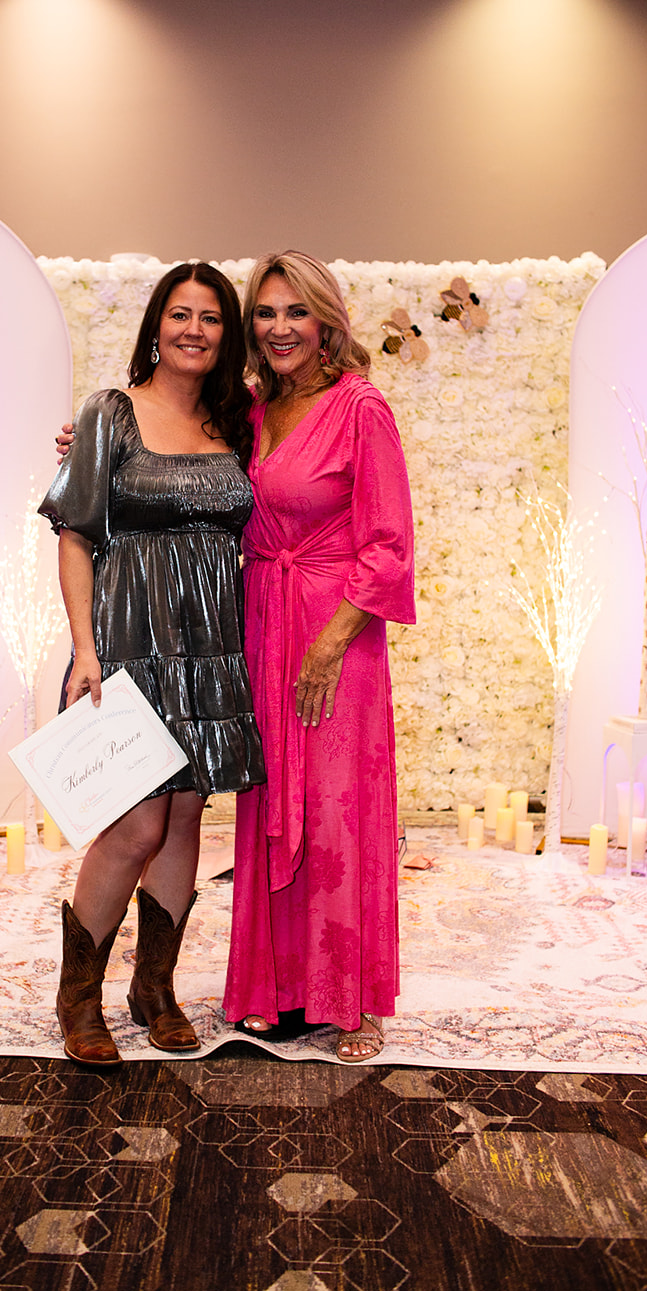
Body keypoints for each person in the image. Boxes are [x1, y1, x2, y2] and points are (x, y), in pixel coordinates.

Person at [39, 262, 265, 1066]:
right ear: (156, 326)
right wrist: (85, 650)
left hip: (210, 643)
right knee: (135, 823)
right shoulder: (109, 413)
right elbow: (74, 534)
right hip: (129, 637)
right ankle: (78, 998)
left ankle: (154, 989)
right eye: (180, 314)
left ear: (227, 335)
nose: (194, 330)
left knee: (186, 815)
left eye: (211, 317)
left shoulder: (238, 426)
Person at [222, 251, 415, 1062]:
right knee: (271, 800)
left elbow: (389, 543)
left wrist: (330, 646)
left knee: (337, 810)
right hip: (265, 621)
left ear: (326, 320)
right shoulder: (252, 408)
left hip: (336, 632)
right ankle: (277, 987)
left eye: (296, 311)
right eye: (266, 313)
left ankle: (352, 999)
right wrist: (87, 442)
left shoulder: (360, 407)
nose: (280, 328)